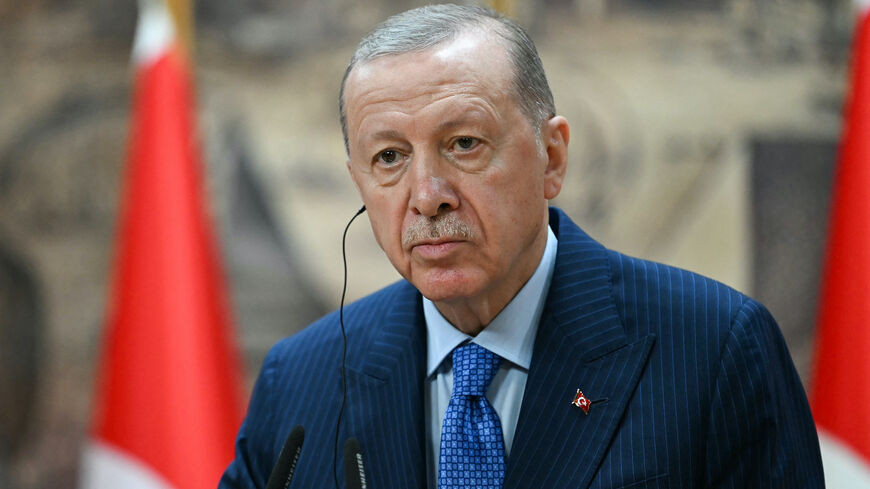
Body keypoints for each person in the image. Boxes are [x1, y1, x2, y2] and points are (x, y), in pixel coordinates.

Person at [220, 4, 824, 488]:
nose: (427, 196)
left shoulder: (716, 348)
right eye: (390, 157)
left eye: (464, 144)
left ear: (551, 158)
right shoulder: (300, 381)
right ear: (359, 183)